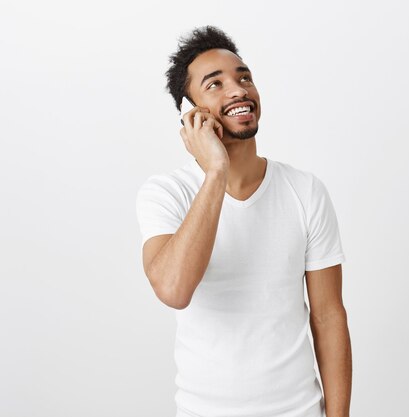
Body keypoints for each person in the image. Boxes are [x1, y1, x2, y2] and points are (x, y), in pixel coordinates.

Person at [135, 26, 352, 417]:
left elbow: (328, 315)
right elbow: (173, 289)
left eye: (244, 77)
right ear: (191, 112)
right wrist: (215, 172)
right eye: (214, 84)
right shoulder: (166, 193)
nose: (238, 90)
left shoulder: (305, 191)